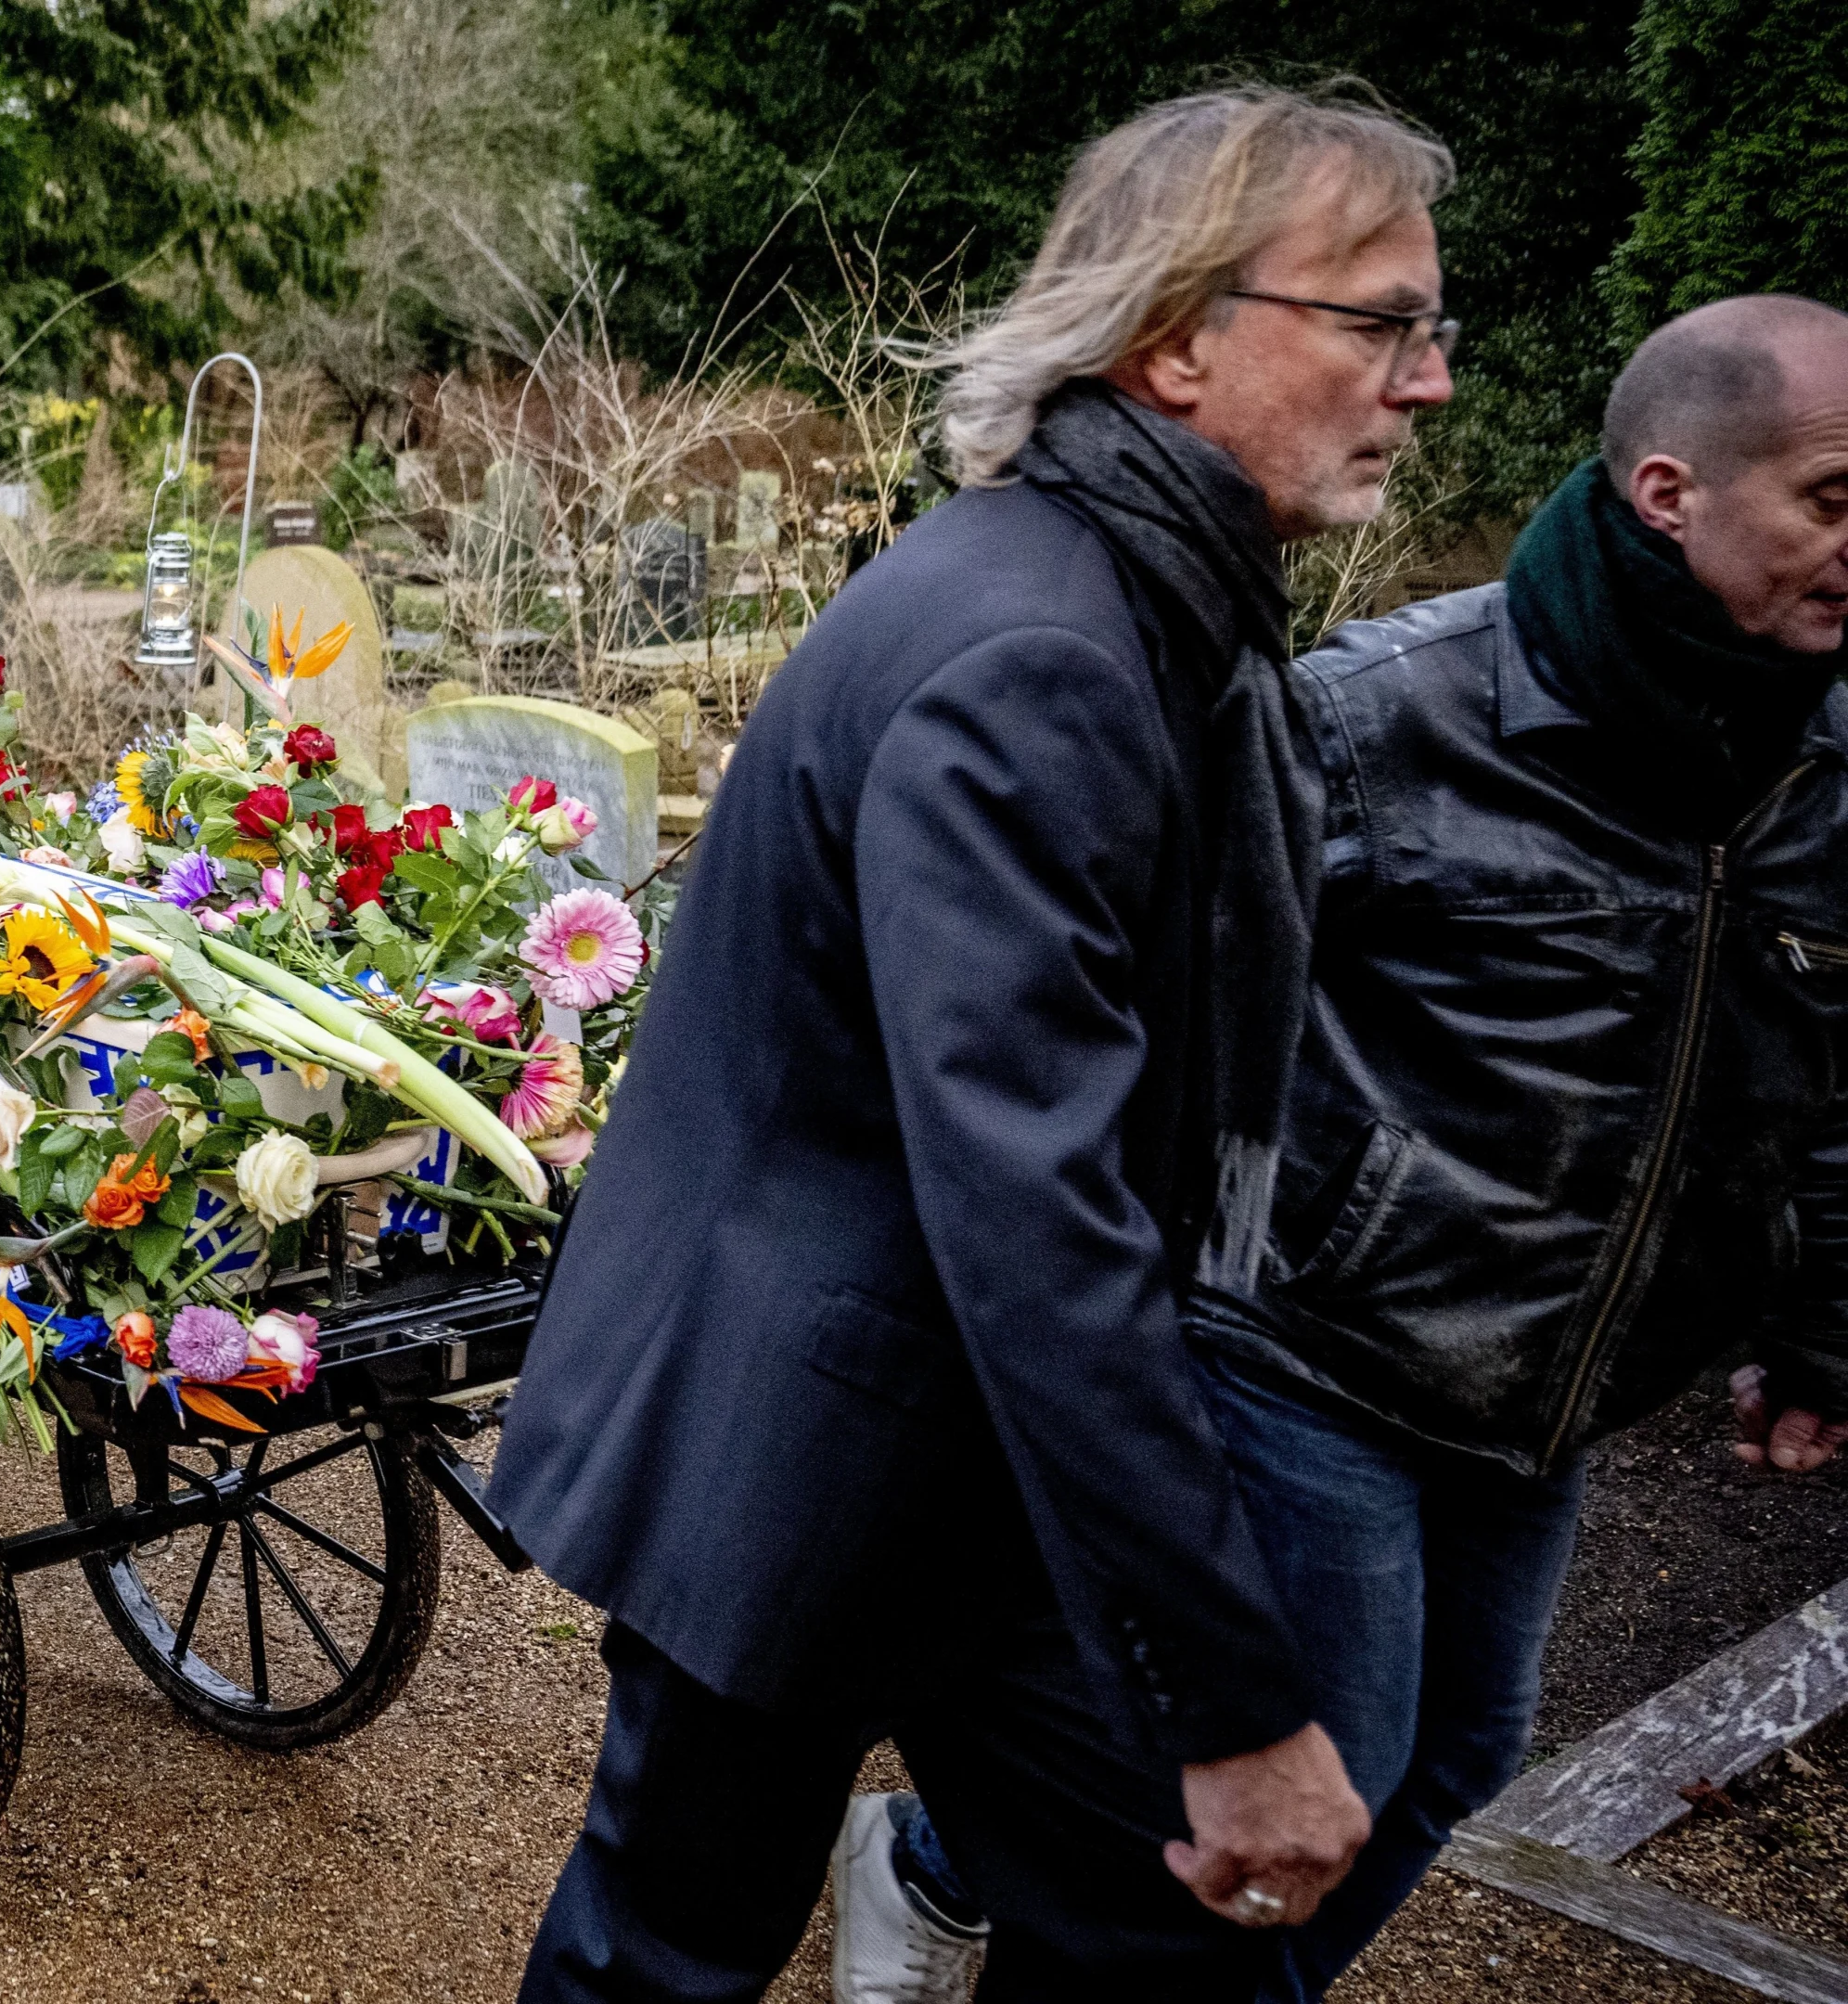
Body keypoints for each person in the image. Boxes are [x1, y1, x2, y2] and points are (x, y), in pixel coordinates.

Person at [487, 87, 1458, 2001]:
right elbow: (1040, 1215)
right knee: (664, 1952)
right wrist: (1237, 1696)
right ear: (1177, 339)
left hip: (960, 1452)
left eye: (1435, 326)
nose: (1427, 382)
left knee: (1152, 1936)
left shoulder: (1145, 601)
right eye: (1382, 323)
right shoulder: (1038, 653)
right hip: (807, 1438)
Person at [852, 296, 1848, 2004]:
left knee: (1454, 1757)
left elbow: (1819, 1053)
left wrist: (1815, 1309)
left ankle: (939, 1862)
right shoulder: (1388, 713)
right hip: (1309, 1348)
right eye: (1836, 497)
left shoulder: (1826, 759)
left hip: (1551, 1384)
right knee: (1322, 1770)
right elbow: (1142, 1014)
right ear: (1674, 493)